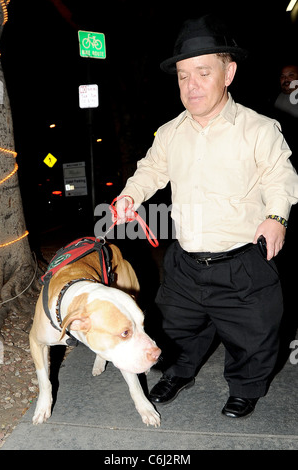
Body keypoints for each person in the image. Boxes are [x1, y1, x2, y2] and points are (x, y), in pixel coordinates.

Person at [113, 15, 298, 418]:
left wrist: (276, 218)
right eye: (182, 76)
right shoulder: (170, 132)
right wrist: (130, 196)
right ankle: (179, 372)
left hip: (242, 261)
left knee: (254, 335)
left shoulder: (260, 129)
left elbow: (280, 177)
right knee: (176, 327)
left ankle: (245, 388)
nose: (191, 85)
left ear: (228, 72)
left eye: (202, 72)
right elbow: (150, 170)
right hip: (186, 263)